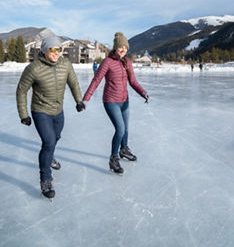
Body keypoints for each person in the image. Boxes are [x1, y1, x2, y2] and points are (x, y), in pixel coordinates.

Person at [16, 36, 85, 199]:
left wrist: (79, 100)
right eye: (52, 49)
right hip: (41, 111)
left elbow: (73, 83)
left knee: (56, 137)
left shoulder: (65, 65)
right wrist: (23, 114)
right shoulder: (33, 68)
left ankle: (50, 156)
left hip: (58, 110)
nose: (56, 52)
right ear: (44, 50)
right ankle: (45, 179)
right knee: (49, 142)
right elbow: (21, 91)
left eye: (59, 49)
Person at [83, 32, 149, 175]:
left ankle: (124, 149)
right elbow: (96, 81)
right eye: (121, 46)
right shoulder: (107, 62)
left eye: (125, 47)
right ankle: (113, 159)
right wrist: (86, 99)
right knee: (120, 129)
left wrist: (143, 92)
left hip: (125, 101)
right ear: (115, 47)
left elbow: (132, 82)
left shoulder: (127, 62)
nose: (123, 49)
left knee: (125, 129)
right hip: (111, 101)